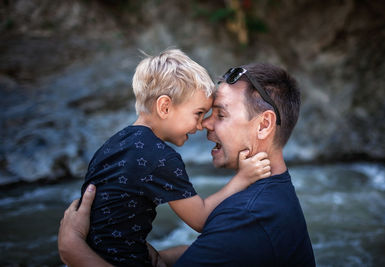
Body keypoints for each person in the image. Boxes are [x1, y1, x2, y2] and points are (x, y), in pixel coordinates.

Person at [58, 62, 315, 266]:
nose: (204, 124)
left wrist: (73, 250)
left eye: (221, 114)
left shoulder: (248, 217)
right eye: (203, 113)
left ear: (264, 124)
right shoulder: (270, 195)